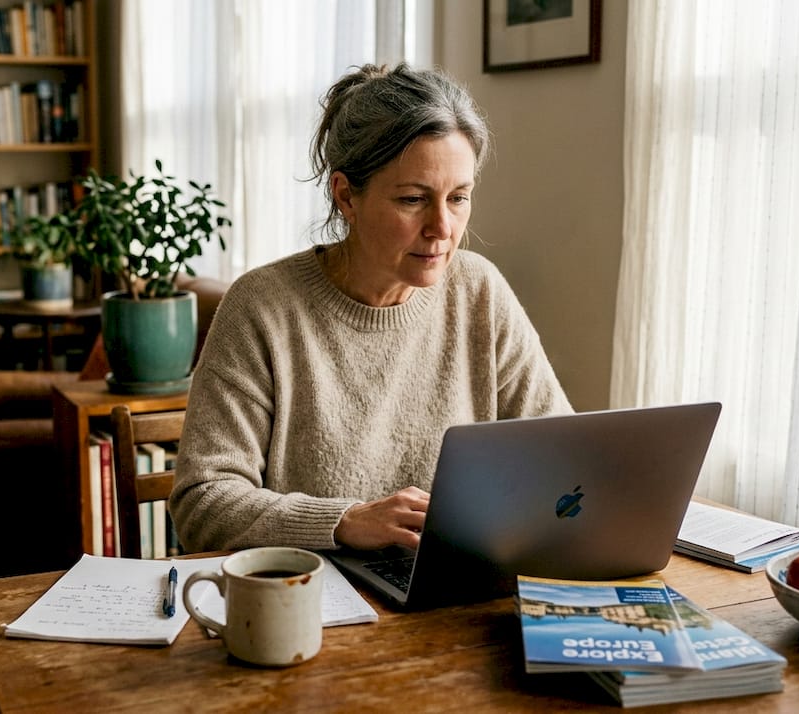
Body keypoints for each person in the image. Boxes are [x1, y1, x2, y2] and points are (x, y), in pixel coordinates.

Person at [169, 63, 572, 554]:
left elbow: (561, 459)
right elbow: (202, 504)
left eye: (459, 197)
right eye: (412, 199)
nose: (442, 227)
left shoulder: (479, 290)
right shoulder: (262, 308)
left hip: (452, 591)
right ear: (346, 196)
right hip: (312, 601)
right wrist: (344, 521)